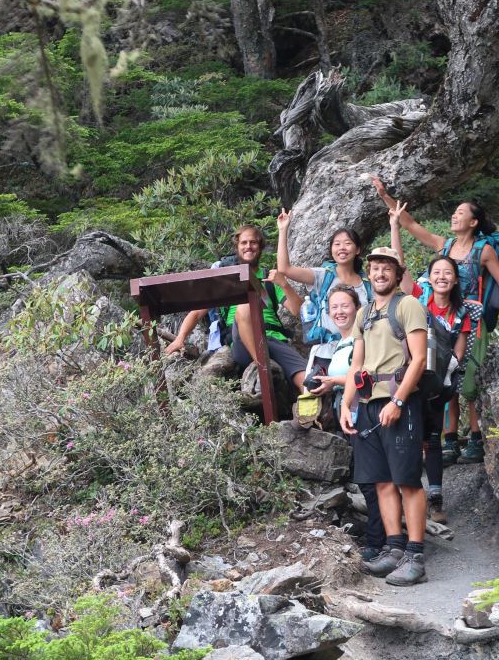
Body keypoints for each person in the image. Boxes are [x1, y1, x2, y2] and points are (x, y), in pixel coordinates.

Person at [372, 177, 499, 464]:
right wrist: (387, 198)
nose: (455, 215)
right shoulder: (444, 245)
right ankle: (450, 437)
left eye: (461, 212)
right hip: (441, 319)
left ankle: (475, 437)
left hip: (471, 320)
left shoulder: (483, 250)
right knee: (445, 378)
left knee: (471, 380)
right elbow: (409, 224)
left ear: (474, 222)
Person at [339, 246, 428, 586]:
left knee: (406, 480)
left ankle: (415, 555)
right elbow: (356, 365)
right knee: (381, 481)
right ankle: (393, 548)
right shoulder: (364, 314)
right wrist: (347, 405)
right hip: (368, 405)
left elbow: (418, 359)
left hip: (399, 402)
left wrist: (399, 401)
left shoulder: (408, 305)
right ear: (369, 273)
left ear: (397, 272)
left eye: (386, 268)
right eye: (375, 267)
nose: (380, 273)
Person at [389, 203, 475, 523]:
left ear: (454, 281)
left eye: (447, 274)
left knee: (432, 439)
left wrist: (445, 383)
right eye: (436, 272)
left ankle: (436, 497)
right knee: (411, 437)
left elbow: (459, 353)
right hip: (412, 378)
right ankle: (411, 495)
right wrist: (396, 226)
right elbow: (400, 267)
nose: (441, 277)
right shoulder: (419, 299)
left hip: (437, 385)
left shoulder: (461, 313)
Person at [165, 224, 307, 393]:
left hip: (272, 339)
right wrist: (180, 338)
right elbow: (196, 313)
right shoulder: (226, 280)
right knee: (246, 303)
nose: (248, 246)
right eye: (244, 242)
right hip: (241, 342)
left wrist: (283, 283)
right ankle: (262, 365)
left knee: (308, 380)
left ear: (260, 247)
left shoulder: (269, 279)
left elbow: (299, 312)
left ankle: (308, 410)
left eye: (253, 242)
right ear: (237, 247)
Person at [304, 286, 386, 561]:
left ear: (358, 307)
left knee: (371, 479)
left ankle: (380, 541)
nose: (339, 312)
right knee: (366, 480)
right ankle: (381, 537)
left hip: (366, 411)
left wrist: (334, 382)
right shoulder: (340, 343)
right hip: (348, 414)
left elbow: (365, 372)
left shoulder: (365, 338)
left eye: (345, 306)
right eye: (334, 307)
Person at [276, 211, 371, 342]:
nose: (342, 248)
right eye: (337, 244)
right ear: (331, 250)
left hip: (361, 350)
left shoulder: (367, 284)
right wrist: (282, 230)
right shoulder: (322, 276)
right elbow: (285, 268)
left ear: (358, 250)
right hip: (326, 351)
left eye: (348, 243)